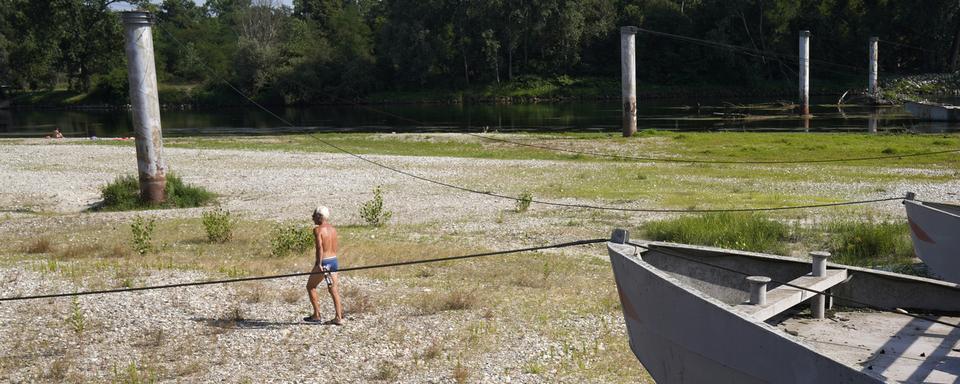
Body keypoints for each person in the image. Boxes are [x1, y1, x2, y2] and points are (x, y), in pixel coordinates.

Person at [304, 206, 344, 325]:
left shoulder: (318, 230)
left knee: (310, 286)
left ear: (319, 216)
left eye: (314, 215)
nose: (312, 218)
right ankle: (338, 317)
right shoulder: (333, 229)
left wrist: (319, 263)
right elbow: (335, 246)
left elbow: (319, 247)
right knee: (334, 289)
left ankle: (316, 315)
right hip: (334, 261)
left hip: (324, 262)